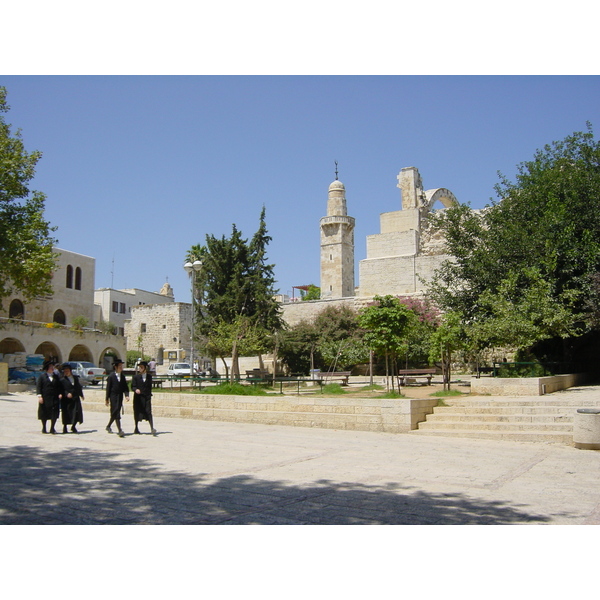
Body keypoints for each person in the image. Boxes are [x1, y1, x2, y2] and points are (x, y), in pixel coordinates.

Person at [105, 359, 130, 437]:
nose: (121, 367)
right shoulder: (111, 376)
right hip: (113, 396)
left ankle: (108, 426)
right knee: (116, 412)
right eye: (119, 366)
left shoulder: (122, 376)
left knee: (115, 412)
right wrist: (107, 399)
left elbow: (125, 387)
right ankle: (120, 430)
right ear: (115, 367)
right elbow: (108, 388)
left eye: (121, 366)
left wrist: (126, 395)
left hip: (120, 396)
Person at [36, 359, 62, 434]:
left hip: (54, 398)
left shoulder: (56, 377)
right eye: (50, 367)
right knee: (44, 413)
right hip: (45, 398)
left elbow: (59, 386)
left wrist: (60, 393)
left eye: (52, 367)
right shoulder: (42, 377)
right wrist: (39, 396)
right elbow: (39, 387)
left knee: (54, 413)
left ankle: (52, 428)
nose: (52, 368)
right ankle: (44, 427)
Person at [132, 361, 157, 436]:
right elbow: (133, 386)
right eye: (139, 367)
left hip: (146, 397)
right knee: (137, 412)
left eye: (142, 367)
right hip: (138, 398)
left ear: (145, 368)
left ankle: (152, 428)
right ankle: (136, 428)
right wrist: (136, 389)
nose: (140, 369)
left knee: (149, 412)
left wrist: (149, 395)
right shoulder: (136, 377)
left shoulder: (149, 377)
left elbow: (149, 387)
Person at [59, 363, 84, 433]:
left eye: (67, 371)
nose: (66, 372)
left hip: (75, 398)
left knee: (76, 412)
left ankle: (73, 426)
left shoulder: (75, 378)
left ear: (70, 371)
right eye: (65, 371)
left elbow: (78, 387)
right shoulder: (62, 380)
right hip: (66, 399)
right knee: (66, 413)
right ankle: (65, 427)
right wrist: (66, 393)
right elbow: (61, 389)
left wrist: (81, 395)